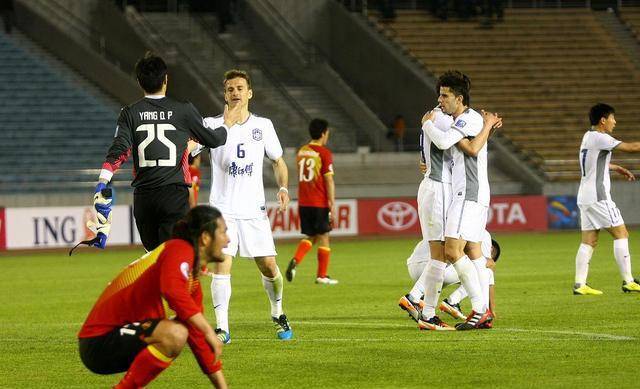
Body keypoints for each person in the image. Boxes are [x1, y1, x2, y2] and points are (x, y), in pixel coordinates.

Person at [92, 52, 239, 252]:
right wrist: (227, 124)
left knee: (152, 259)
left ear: (139, 81)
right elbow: (214, 140)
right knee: (174, 257)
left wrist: (103, 180)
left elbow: (120, 149)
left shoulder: (129, 113)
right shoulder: (183, 110)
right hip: (174, 195)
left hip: (144, 198)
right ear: (165, 80)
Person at [78, 205, 230, 389]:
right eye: (223, 232)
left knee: (184, 328)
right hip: (99, 341)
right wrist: (208, 331)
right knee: (175, 333)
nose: (227, 240)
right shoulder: (178, 249)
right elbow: (173, 292)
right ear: (205, 238)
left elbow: (197, 336)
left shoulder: (191, 277)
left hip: (114, 337)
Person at [193, 69, 292, 343]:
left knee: (269, 267)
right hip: (222, 210)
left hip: (253, 211)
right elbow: (191, 152)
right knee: (221, 265)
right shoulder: (211, 124)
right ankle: (222, 327)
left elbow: (279, 162)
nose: (235, 93)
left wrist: (283, 188)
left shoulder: (263, 126)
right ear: (224, 94)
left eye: (240, 88)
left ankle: (277, 311)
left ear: (249, 92)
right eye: (230, 89)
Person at [418, 70, 501, 330]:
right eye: (439, 95)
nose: (440, 100)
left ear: (460, 98)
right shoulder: (463, 121)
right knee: (473, 251)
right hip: (462, 193)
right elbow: (469, 147)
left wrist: (426, 123)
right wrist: (488, 129)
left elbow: (447, 143)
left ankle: (478, 309)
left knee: (452, 252)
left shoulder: (469, 118)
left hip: (469, 193)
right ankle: (482, 310)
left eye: (445, 96)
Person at [573, 103, 640, 295]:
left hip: (584, 196)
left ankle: (580, 284)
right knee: (621, 234)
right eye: (613, 118)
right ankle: (628, 281)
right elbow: (631, 147)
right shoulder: (601, 137)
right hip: (598, 196)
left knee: (589, 241)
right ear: (603, 120)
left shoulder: (588, 136)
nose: (615, 122)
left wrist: (615, 167)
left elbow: (594, 162)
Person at [402, 232, 501, 326]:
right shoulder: (480, 232)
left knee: (451, 259)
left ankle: (421, 297)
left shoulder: (447, 220)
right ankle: (453, 301)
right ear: (492, 248)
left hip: (414, 267)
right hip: (436, 267)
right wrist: (491, 310)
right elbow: (488, 265)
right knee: (483, 271)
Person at [286, 118, 338, 285]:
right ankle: (322, 275)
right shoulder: (324, 153)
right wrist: (332, 202)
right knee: (324, 237)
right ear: (323, 133)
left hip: (304, 202)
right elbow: (328, 180)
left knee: (312, 236)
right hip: (319, 201)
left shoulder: (301, 151)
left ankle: (295, 260)